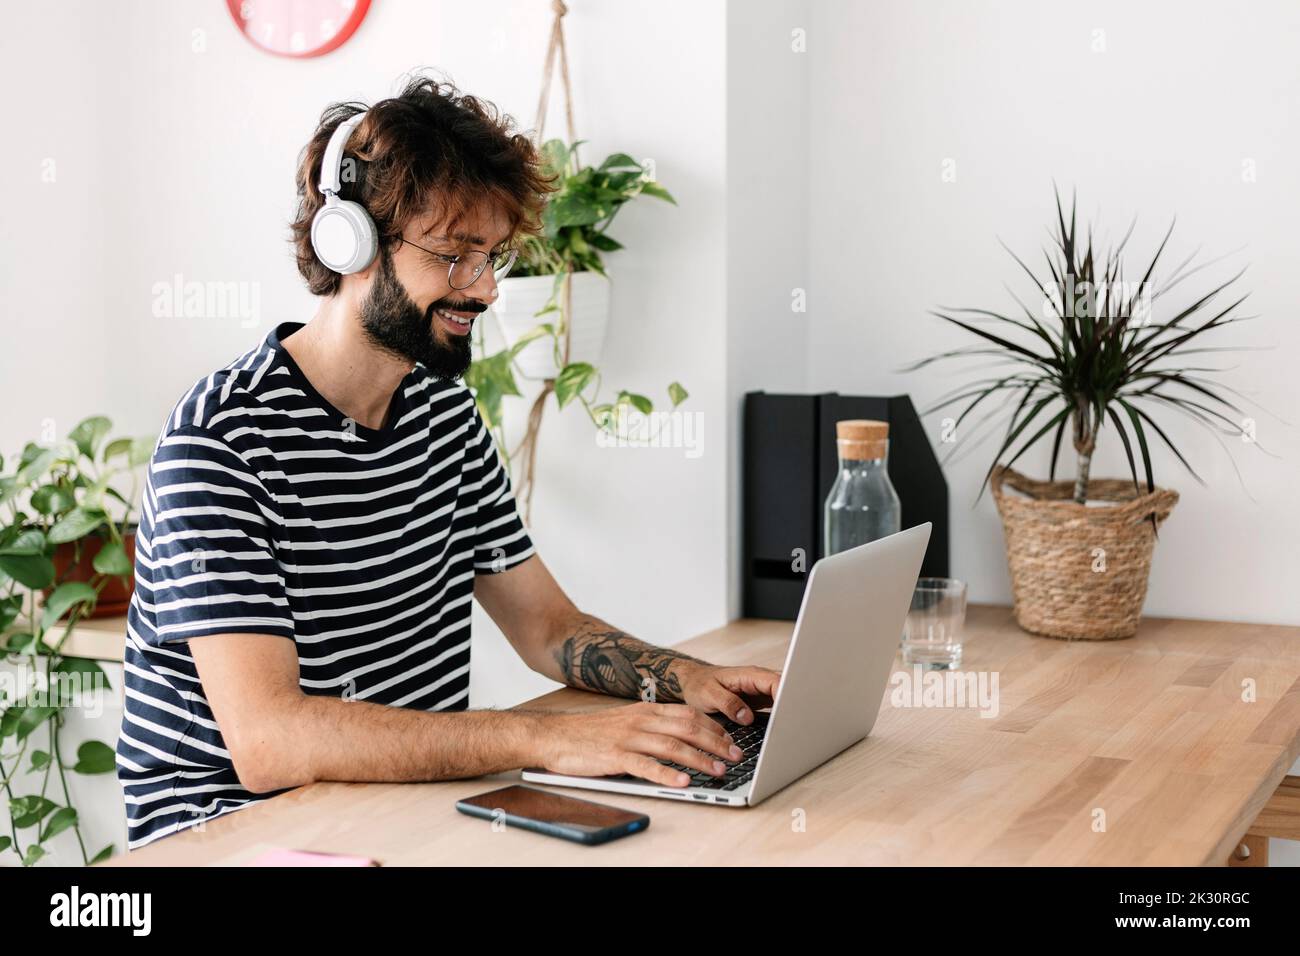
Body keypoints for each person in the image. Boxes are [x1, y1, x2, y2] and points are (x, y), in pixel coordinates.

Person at [116, 75, 781, 849]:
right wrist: (543, 740)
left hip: (395, 819)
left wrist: (686, 680)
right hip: (237, 839)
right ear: (351, 242)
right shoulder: (222, 441)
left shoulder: (443, 414)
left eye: (491, 256)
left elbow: (548, 627)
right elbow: (271, 742)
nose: (487, 288)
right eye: (456, 255)